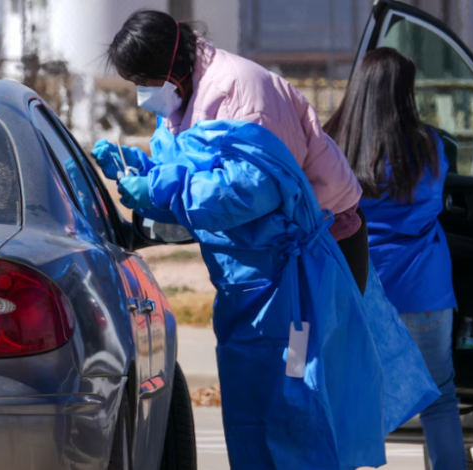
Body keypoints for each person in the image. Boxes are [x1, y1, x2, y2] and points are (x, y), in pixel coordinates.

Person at [109, 116, 438, 469]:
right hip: (286, 296)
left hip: (296, 301)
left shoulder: (246, 125)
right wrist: (153, 176)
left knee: (299, 389)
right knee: (292, 392)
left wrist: (160, 185)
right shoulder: (235, 120)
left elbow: (236, 194)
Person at [93, 9, 369, 292]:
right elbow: (189, 170)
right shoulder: (178, 97)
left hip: (318, 239)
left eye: (142, 82)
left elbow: (252, 190)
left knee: (307, 336)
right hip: (265, 247)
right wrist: (141, 169)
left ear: (168, 70)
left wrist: (160, 188)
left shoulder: (238, 91)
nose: (141, 94)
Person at [324, 48, 465, 470]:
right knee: (440, 396)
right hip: (424, 290)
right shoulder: (429, 146)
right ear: (405, 92)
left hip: (357, 288)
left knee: (350, 395)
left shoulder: (333, 144)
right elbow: (435, 203)